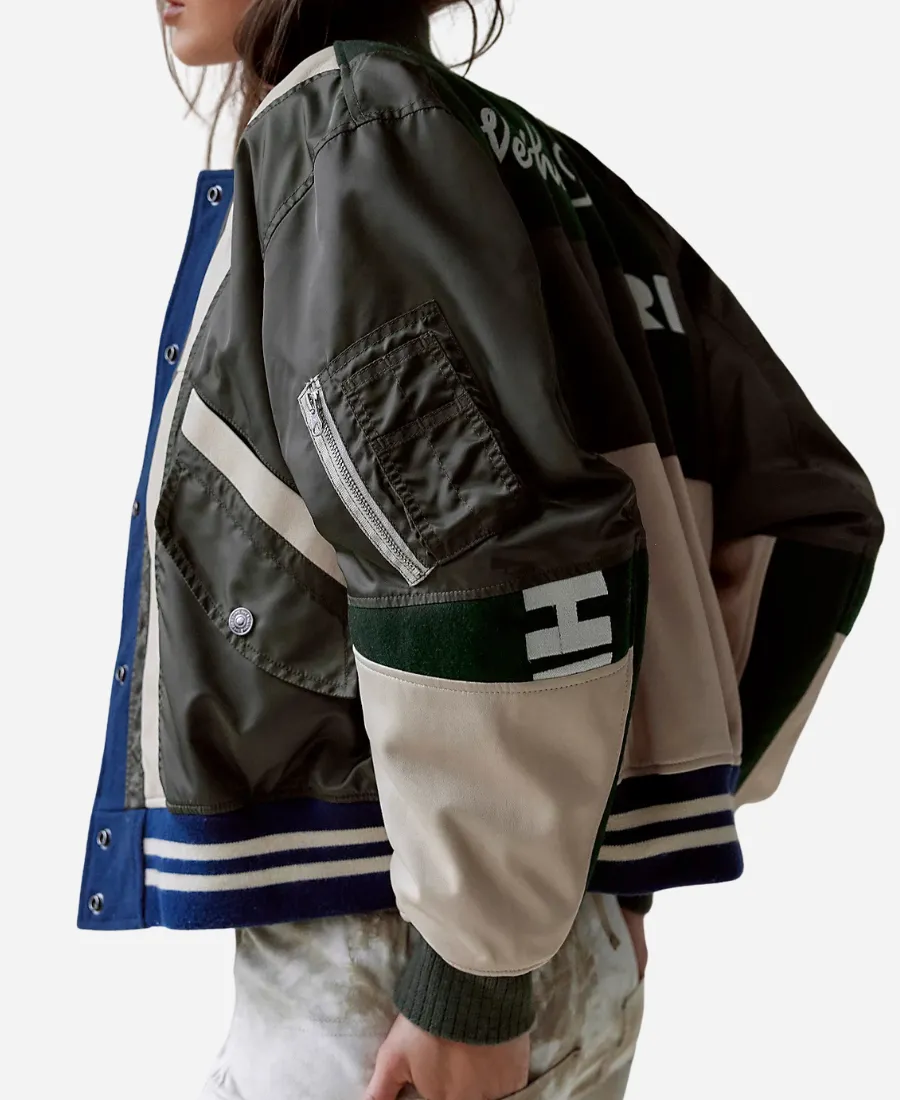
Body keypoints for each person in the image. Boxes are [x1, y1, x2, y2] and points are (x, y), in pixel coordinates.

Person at [76, 1, 884, 1098]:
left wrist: (475, 969)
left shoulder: (350, 128)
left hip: (403, 965)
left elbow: (473, 551)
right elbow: (815, 513)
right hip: (536, 931)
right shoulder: (547, 170)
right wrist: (618, 847)